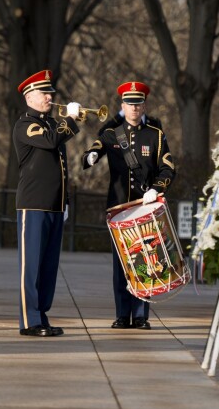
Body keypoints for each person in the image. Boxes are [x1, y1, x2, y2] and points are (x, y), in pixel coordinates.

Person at [82, 80, 176, 330]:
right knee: (121, 263)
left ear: (144, 105)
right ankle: (122, 314)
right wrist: (90, 157)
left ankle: (141, 315)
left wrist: (157, 188)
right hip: (119, 209)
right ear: (122, 105)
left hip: (145, 207)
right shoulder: (112, 133)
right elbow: (94, 150)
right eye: (130, 103)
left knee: (146, 259)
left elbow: (168, 167)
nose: (134, 108)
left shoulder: (155, 135)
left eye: (138, 103)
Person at [13, 70, 81, 337]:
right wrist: (71, 120)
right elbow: (51, 142)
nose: (50, 97)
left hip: (53, 204)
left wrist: (65, 201)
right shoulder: (26, 124)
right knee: (31, 267)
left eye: (50, 93)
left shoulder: (52, 124)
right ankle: (29, 320)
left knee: (48, 266)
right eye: (44, 93)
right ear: (30, 97)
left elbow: (61, 167)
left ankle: (41, 315)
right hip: (34, 204)